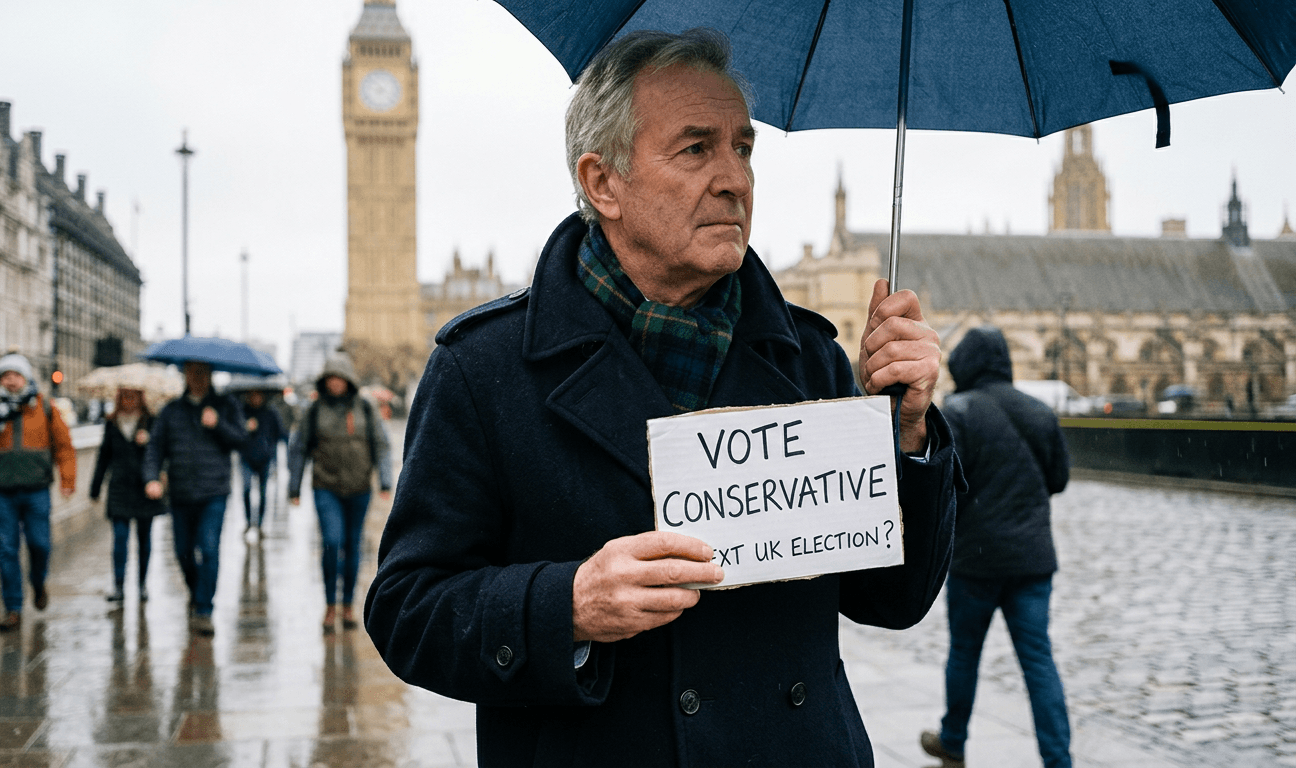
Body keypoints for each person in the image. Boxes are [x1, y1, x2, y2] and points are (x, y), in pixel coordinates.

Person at [365, 29, 961, 766]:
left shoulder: (809, 357)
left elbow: (893, 600)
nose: (734, 179)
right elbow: (407, 611)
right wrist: (568, 606)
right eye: (695, 149)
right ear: (603, 182)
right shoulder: (484, 369)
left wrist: (905, 435)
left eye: (743, 149)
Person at [919, 326, 1072, 768]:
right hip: (1032, 560)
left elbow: (951, 485)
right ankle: (1058, 759)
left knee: (965, 654)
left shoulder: (960, 410)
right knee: (1038, 662)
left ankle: (953, 742)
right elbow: (1058, 480)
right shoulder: (1040, 413)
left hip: (976, 561)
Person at [0, 353, 77, 632]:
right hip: (2, 492)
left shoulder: (44, 408)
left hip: (36, 490)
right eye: (5, 376)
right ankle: (12, 608)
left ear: (26, 378)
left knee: (40, 544)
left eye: (15, 375)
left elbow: (63, 446)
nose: (10, 380)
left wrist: (67, 479)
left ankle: (38, 583)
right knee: (7, 550)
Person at [288, 352, 392, 632]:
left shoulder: (365, 407)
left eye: (340, 378)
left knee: (352, 544)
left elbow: (380, 444)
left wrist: (384, 479)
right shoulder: (314, 409)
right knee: (332, 543)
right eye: (331, 378)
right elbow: (299, 447)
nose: (335, 383)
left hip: (359, 488)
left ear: (349, 380)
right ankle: (329, 606)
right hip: (326, 488)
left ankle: (347, 605)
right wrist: (294, 486)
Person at [143, 360, 247, 637]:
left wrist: (218, 424)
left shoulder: (226, 406)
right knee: (182, 551)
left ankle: (204, 609)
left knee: (209, 549)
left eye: (203, 372)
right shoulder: (171, 411)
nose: (198, 378)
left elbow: (241, 439)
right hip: (181, 492)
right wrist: (151, 477)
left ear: (210, 374)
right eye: (192, 372)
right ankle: (195, 591)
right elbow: (155, 447)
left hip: (214, 491)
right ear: (186, 375)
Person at [89, 387, 167, 603]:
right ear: (119, 399)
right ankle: (119, 586)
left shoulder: (151, 421)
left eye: (133, 397)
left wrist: (148, 440)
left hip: (144, 488)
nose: (129, 401)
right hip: (119, 488)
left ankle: (142, 585)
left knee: (144, 539)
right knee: (120, 538)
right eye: (125, 397)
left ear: (141, 398)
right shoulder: (112, 423)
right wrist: (95, 488)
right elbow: (104, 456)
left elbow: (163, 450)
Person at [237, 387, 286, 543]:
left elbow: (282, 434)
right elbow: (233, 433)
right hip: (246, 458)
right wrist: (245, 427)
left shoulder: (271, 412)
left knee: (264, 494)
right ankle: (248, 522)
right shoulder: (242, 412)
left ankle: (259, 525)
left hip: (265, 459)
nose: (255, 398)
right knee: (246, 490)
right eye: (252, 395)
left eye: (258, 395)